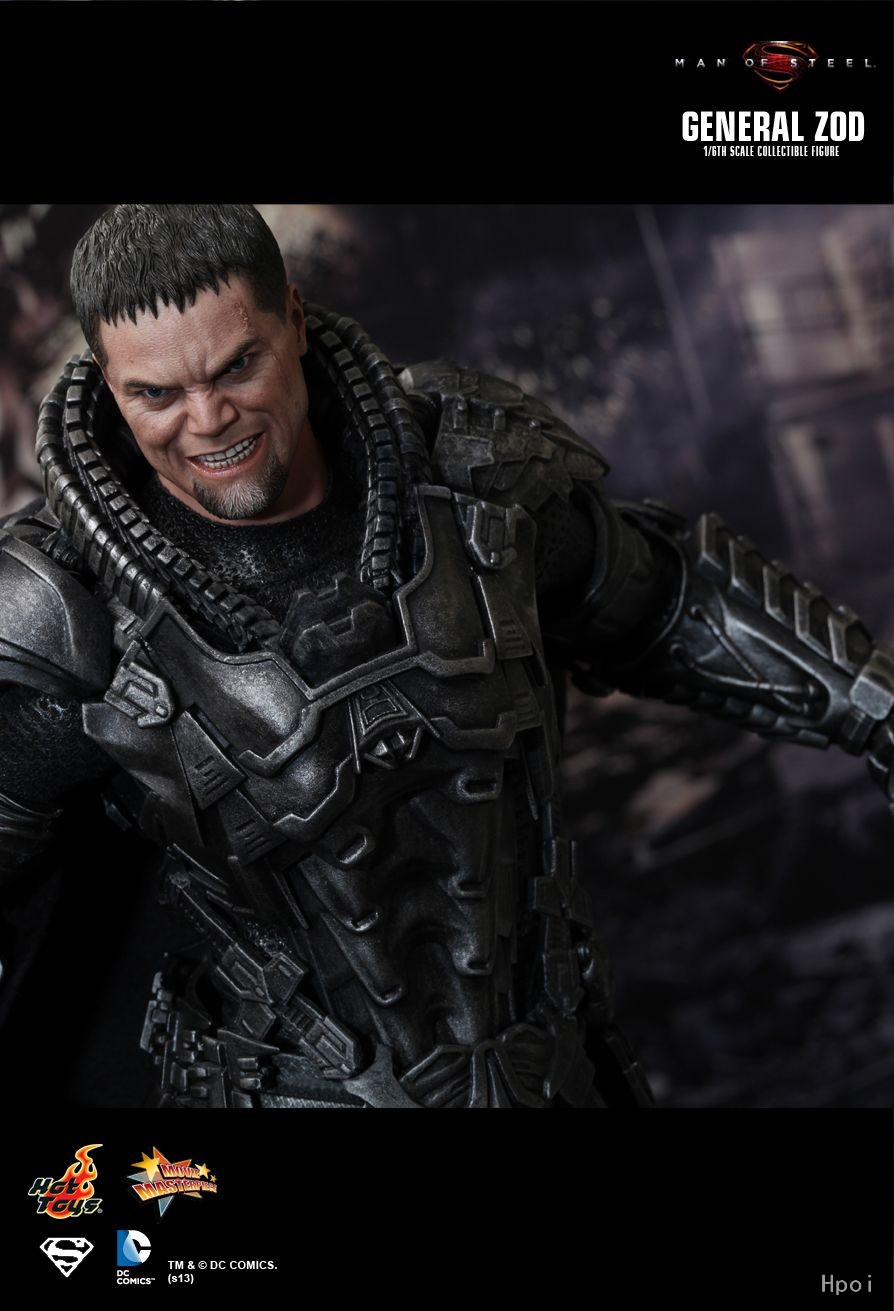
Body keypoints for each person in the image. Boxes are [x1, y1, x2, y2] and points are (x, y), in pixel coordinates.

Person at [0, 203, 891, 1109]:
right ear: (108, 384)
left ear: (294, 320)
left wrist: (876, 705)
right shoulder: (71, 613)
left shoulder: (472, 484)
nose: (208, 419)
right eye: (157, 394)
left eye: (237, 366)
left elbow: (661, 598)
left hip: (546, 1071)